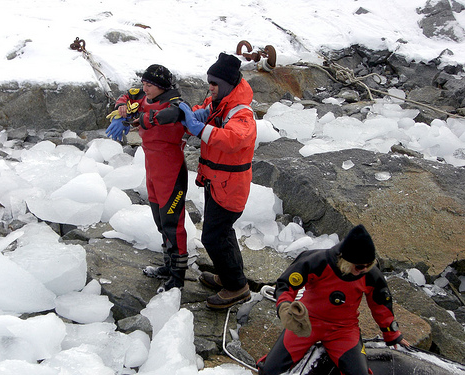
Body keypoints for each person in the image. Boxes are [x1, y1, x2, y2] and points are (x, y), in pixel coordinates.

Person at [257, 224, 410, 375]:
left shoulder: (370, 274)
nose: (364, 270)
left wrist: (391, 333)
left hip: (343, 329)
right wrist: (285, 308)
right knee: (270, 370)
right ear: (345, 261)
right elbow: (286, 284)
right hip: (307, 322)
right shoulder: (316, 261)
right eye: (359, 267)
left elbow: (381, 303)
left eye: (369, 265)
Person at [178, 52, 257, 309]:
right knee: (222, 233)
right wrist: (194, 113)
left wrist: (199, 128)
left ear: (225, 84)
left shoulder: (241, 112)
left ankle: (237, 287)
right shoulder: (221, 100)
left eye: (213, 84)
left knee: (214, 236)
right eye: (209, 82)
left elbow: (234, 139)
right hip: (217, 181)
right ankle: (230, 275)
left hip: (231, 185)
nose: (209, 87)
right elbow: (207, 109)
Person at [106, 64, 188, 292]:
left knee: (173, 223)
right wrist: (122, 108)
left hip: (171, 170)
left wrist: (144, 119)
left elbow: (174, 114)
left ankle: (178, 277)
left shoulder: (176, 102)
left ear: (161, 86)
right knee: (160, 221)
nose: (144, 87)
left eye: (149, 84)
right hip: (153, 168)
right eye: (144, 83)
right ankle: (168, 266)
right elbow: (127, 96)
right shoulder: (143, 95)